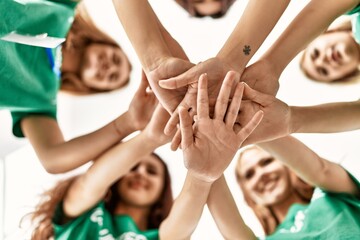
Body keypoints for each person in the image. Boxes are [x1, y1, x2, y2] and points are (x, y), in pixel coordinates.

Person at [0, 0, 135, 174]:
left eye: (112, 78)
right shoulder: (65, 8)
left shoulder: (43, 100)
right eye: (116, 59)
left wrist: (128, 123)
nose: (109, 68)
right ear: (106, 42)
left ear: (93, 88)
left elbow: (53, 159)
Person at [29, 105, 173, 240]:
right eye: (132, 168)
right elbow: (90, 182)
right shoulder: (84, 215)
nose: (141, 173)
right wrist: (151, 138)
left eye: (152, 171)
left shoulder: (164, 235)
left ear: (163, 189)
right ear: (117, 177)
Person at [232, 140, 360, 239]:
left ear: (287, 165)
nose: (260, 174)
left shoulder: (332, 192)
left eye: (266, 162)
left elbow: (322, 170)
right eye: (249, 174)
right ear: (247, 194)